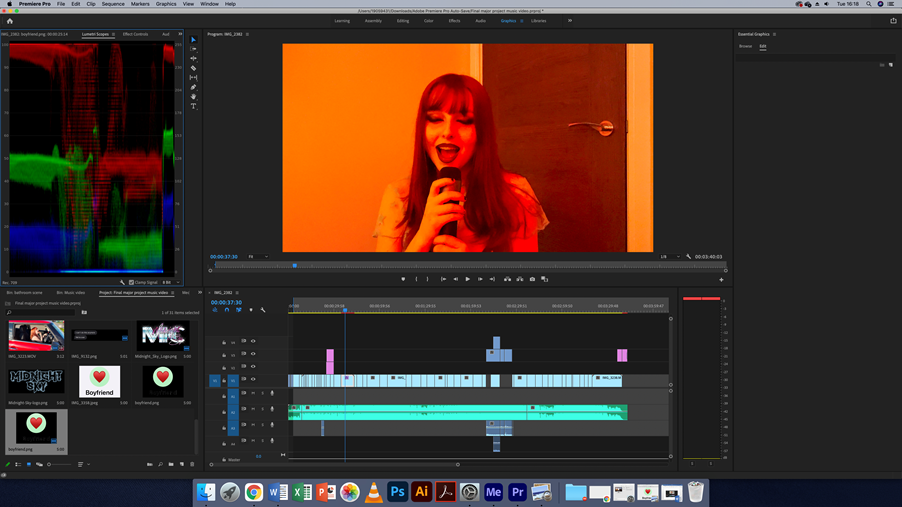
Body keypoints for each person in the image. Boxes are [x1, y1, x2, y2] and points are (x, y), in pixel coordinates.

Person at [374, 73, 548, 252]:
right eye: (436, 119)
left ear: (482, 131)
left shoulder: (515, 194)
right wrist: (423, 237)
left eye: (464, 121)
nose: (448, 132)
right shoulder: (400, 196)